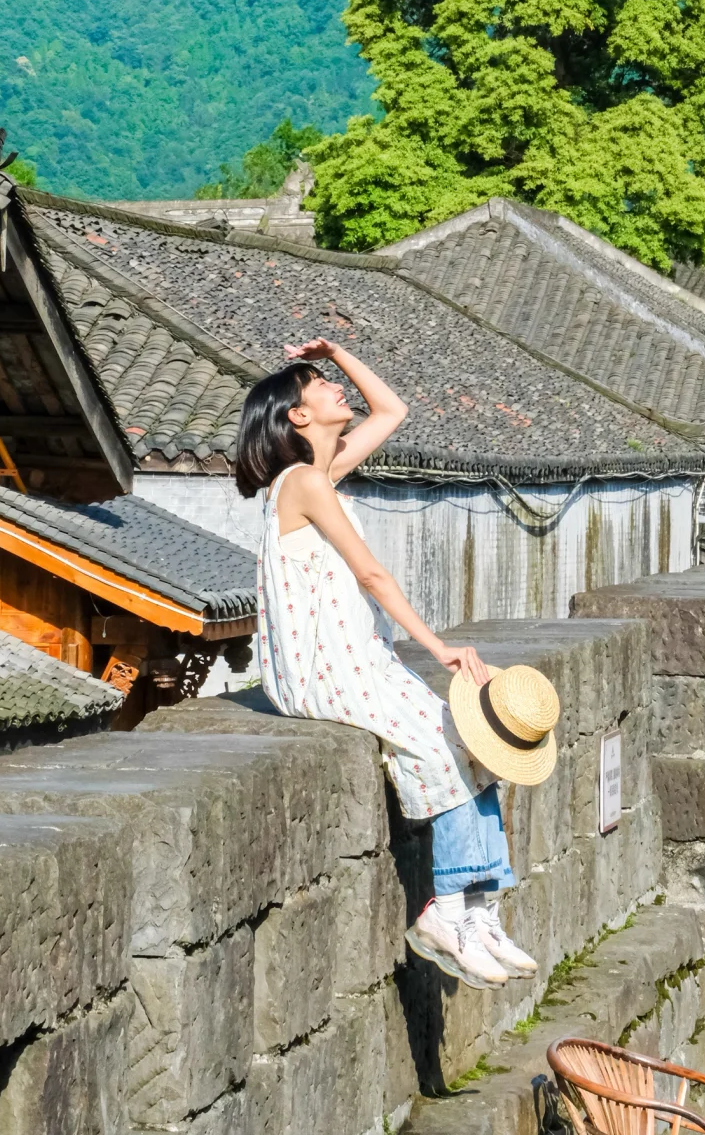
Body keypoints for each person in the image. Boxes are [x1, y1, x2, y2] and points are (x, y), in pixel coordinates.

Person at [235, 336, 554, 989]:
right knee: (439, 744)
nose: (335, 390)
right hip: (322, 669)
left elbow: (392, 410)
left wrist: (338, 352)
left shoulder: (320, 476)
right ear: (297, 416)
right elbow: (371, 574)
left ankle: (480, 908)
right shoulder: (300, 484)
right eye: (320, 386)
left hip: (357, 660)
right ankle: (447, 908)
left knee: (476, 745)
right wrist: (438, 646)